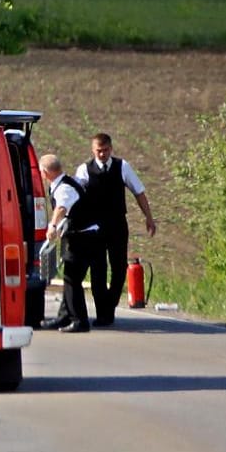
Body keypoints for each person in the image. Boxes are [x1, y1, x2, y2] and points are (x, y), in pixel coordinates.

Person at [73, 132, 157, 327]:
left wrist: (149, 218)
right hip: (94, 227)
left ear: (111, 149)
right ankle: (103, 312)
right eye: (98, 151)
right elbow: (74, 194)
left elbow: (139, 192)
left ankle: (110, 304)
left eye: (105, 151)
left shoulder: (122, 167)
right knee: (98, 270)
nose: (102, 154)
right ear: (93, 150)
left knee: (119, 268)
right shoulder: (84, 170)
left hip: (117, 224)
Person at [42, 153, 103, 333]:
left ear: (46, 173)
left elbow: (62, 207)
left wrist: (52, 226)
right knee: (70, 277)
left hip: (83, 238)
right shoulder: (64, 182)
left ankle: (80, 321)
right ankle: (64, 317)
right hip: (79, 235)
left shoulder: (64, 188)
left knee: (72, 279)